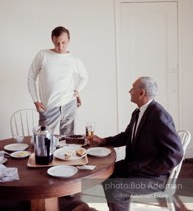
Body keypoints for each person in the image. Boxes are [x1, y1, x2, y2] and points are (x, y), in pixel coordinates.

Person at [91, 76, 183, 211]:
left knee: (117, 189)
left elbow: (175, 152)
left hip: (155, 177)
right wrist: (104, 141)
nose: (129, 91)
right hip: (135, 167)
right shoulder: (138, 112)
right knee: (106, 173)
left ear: (141, 93)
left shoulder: (159, 115)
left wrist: (150, 169)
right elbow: (127, 136)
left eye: (132, 89)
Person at [27, 26, 88, 135]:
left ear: (69, 40)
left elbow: (84, 76)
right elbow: (31, 77)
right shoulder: (43, 55)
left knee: (68, 141)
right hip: (49, 106)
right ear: (53, 40)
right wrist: (36, 101)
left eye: (63, 42)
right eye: (57, 43)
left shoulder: (73, 59)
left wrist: (77, 90)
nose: (60, 47)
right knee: (43, 139)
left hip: (69, 103)